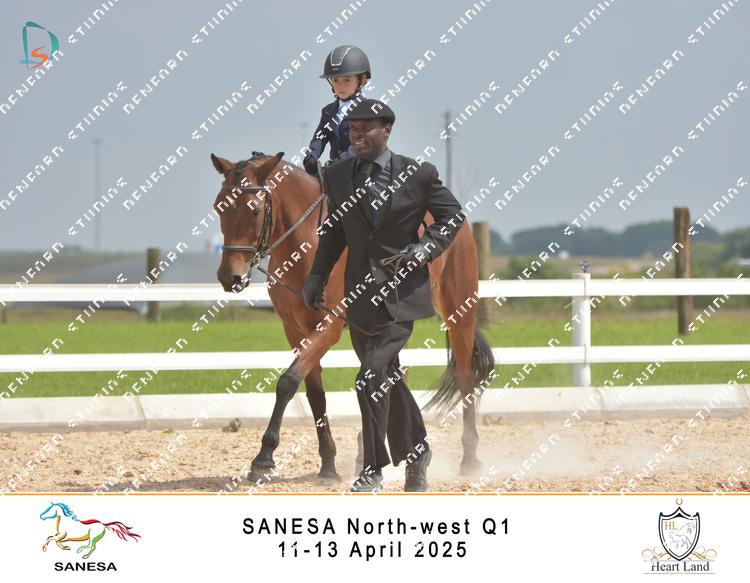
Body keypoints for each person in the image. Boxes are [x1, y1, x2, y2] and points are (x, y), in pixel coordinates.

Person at [302, 99, 466, 492]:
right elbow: (335, 232)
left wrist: (425, 249)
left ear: (387, 129)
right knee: (387, 378)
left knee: (369, 377)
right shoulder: (337, 175)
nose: (357, 135)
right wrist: (317, 275)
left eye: (365, 129)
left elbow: (453, 216)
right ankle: (418, 453)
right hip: (360, 296)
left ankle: (372, 469)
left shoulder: (418, 174)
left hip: (400, 294)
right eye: (352, 130)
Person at [302, 45, 371, 179]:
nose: (340, 86)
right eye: (335, 80)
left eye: (347, 80)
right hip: (335, 172)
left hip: (362, 172)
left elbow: (361, 142)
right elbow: (320, 137)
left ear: (362, 82)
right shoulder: (328, 111)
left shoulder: (368, 109)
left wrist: (340, 161)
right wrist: (311, 155)